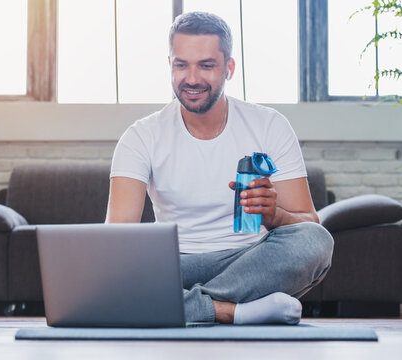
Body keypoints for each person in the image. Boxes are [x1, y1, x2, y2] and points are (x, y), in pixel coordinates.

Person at [106, 11, 333, 325]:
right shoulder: (141, 136)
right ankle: (229, 310)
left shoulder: (269, 126)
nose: (192, 78)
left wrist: (273, 215)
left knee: (315, 241)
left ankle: (179, 305)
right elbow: (116, 239)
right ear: (169, 65)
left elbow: (309, 223)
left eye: (207, 65)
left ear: (229, 68)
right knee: (105, 270)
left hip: (249, 260)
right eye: (181, 64)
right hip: (173, 264)